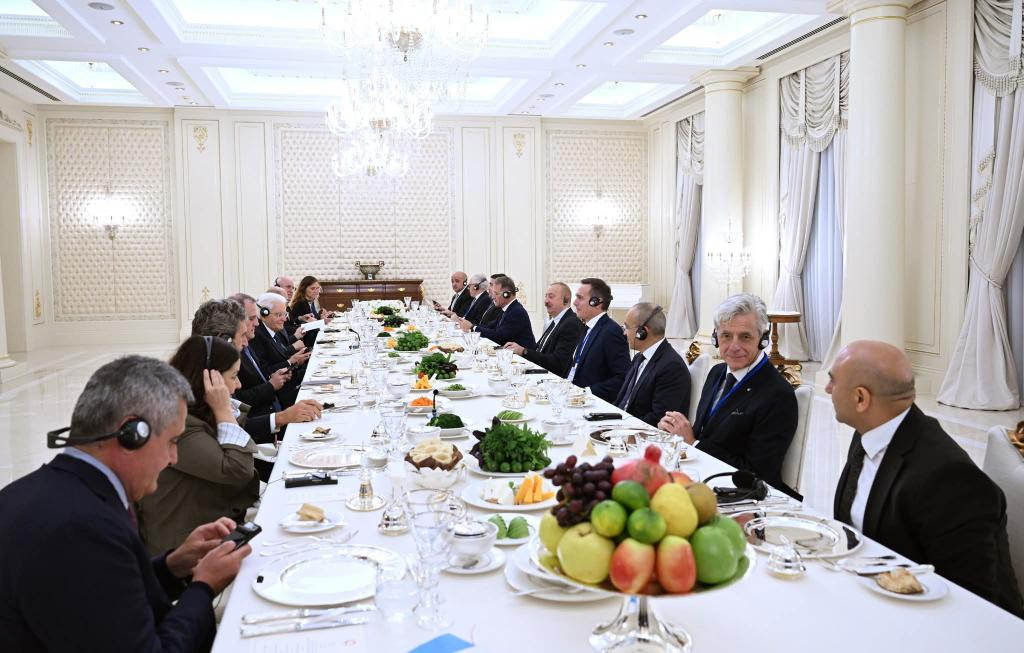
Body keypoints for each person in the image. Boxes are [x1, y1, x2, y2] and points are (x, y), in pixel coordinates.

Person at [0, 355, 250, 651]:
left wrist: (172, 566)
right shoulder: (82, 528)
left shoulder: (47, 492)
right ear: (132, 435)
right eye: (172, 441)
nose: (173, 458)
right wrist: (204, 586)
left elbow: (103, 599)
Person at [827, 340, 1023, 617]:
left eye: (833, 381)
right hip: (873, 598)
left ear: (861, 399)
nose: (828, 389)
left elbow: (969, 600)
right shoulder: (869, 431)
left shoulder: (950, 479)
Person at [657, 293, 797, 493]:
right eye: (726, 336)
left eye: (745, 337)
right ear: (715, 338)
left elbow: (758, 473)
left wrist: (694, 443)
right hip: (702, 478)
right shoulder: (717, 372)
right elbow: (705, 433)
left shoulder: (778, 394)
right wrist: (675, 431)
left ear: (762, 339)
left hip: (740, 495)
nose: (734, 346)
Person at [138, 336, 260, 555]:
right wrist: (223, 410)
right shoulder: (177, 424)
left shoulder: (190, 410)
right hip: (183, 547)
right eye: (233, 376)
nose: (238, 385)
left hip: (209, 520)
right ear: (209, 379)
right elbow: (238, 469)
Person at [192, 298, 320, 445]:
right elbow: (237, 436)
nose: (246, 343)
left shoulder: (210, 369)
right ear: (224, 340)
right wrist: (282, 416)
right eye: (242, 336)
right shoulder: (204, 383)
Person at [614, 303, 690, 427]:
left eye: (627, 327)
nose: (624, 333)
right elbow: (622, 401)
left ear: (642, 331)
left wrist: (620, 426)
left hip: (638, 433)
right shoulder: (639, 357)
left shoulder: (671, 367)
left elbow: (659, 418)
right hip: (620, 425)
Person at [566, 277, 630, 403]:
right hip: (573, 397)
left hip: (591, 403)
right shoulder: (587, 327)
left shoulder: (611, 331)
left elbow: (622, 378)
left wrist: (587, 392)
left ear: (595, 302)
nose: (574, 302)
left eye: (580, 298)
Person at [504, 282, 583, 378]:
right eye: (546, 296)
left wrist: (523, 351)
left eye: (551, 297)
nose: (546, 301)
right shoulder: (557, 320)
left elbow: (558, 363)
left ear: (565, 300)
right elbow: (539, 350)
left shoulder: (571, 324)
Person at [252, 292, 312, 405]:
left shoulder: (277, 328)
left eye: (285, 314)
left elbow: (283, 353)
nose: (284, 319)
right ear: (263, 314)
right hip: (279, 395)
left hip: (290, 380)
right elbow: (263, 372)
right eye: (279, 315)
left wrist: (298, 358)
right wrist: (290, 362)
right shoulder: (256, 336)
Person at [458, 276, 537, 349]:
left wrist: (472, 327)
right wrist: (471, 326)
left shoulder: (516, 312)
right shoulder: (506, 309)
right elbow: (489, 327)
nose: (492, 297)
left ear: (507, 294)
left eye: (496, 293)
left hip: (522, 357)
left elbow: (499, 336)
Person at [288, 275, 333, 348]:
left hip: (314, 337)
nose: (316, 291)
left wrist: (322, 316)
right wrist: (322, 321)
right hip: (306, 342)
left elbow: (313, 320)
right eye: (312, 288)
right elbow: (304, 327)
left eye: (317, 288)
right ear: (304, 289)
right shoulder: (300, 304)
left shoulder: (312, 301)